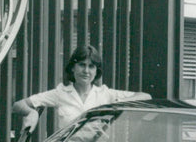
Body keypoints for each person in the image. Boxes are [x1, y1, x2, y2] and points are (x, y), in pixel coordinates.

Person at [12, 45, 151, 133]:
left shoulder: (105, 94)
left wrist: (115, 105)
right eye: (82, 65)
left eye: (91, 67)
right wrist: (32, 113)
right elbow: (18, 105)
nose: (86, 71)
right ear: (73, 68)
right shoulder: (61, 93)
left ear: (96, 71)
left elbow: (145, 96)